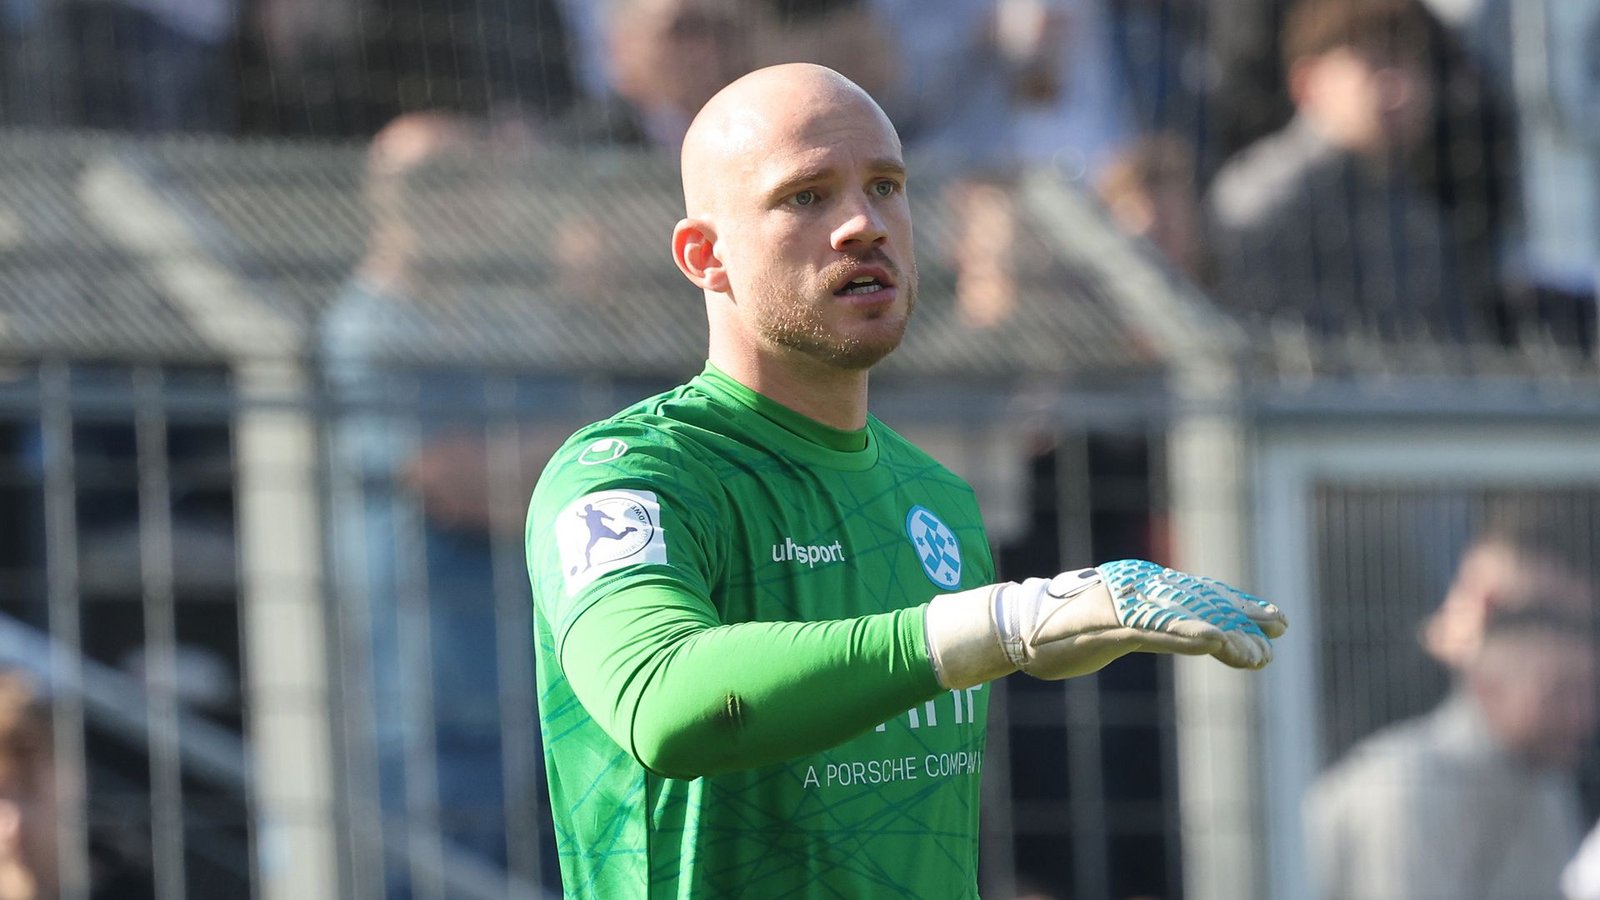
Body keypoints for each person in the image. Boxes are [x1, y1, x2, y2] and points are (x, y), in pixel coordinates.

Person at [523, 62, 1287, 897]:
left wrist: (1042, 637)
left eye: (885, 186)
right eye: (806, 196)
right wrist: (1005, 623)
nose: (863, 224)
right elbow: (663, 698)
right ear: (705, 255)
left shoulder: (938, 499)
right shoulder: (633, 477)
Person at [1305, 527, 1598, 900]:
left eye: (1590, 693)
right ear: (1487, 685)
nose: (1583, 716)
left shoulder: (1547, 786)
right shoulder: (1406, 789)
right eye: (1560, 693)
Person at [1206, 0, 1502, 343]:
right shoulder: (1262, 204)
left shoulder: (1418, 219)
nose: (1400, 88)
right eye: (1375, 64)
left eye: (1413, 65)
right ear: (1307, 83)